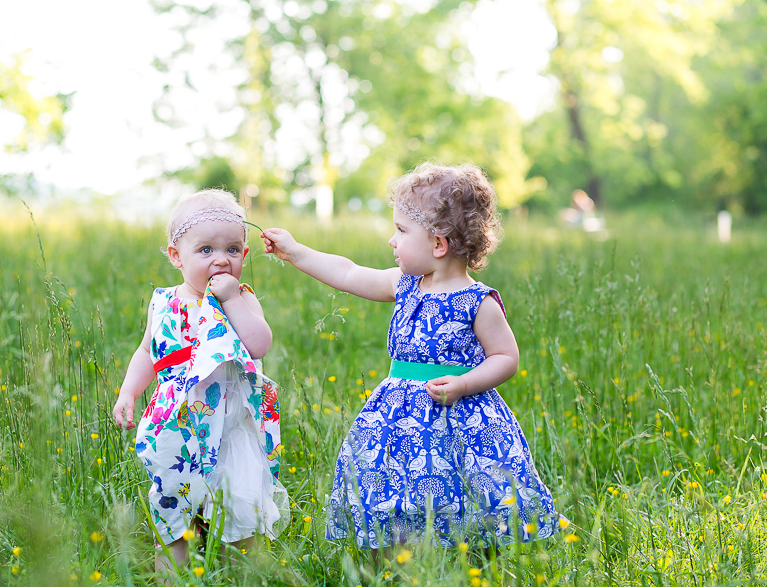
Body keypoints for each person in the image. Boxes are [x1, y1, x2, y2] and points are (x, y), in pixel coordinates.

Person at [262, 162, 561, 550]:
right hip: (397, 416)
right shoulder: (404, 284)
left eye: (401, 231)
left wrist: (465, 383)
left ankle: (474, 558)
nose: (392, 240)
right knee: (394, 486)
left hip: (462, 417)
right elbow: (349, 273)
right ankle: (400, 560)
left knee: (467, 489)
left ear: (438, 244)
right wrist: (296, 251)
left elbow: (506, 356)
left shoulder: (478, 302)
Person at [113, 189, 288, 575]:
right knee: (175, 512)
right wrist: (129, 391)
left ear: (244, 254)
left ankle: (240, 575)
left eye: (232, 249)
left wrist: (232, 300)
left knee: (239, 506)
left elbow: (258, 345)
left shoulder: (242, 298)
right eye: (205, 250)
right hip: (178, 426)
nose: (220, 260)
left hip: (229, 428)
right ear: (177, 256)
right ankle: (173, 577)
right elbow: (147, 352)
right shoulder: (163, 302)